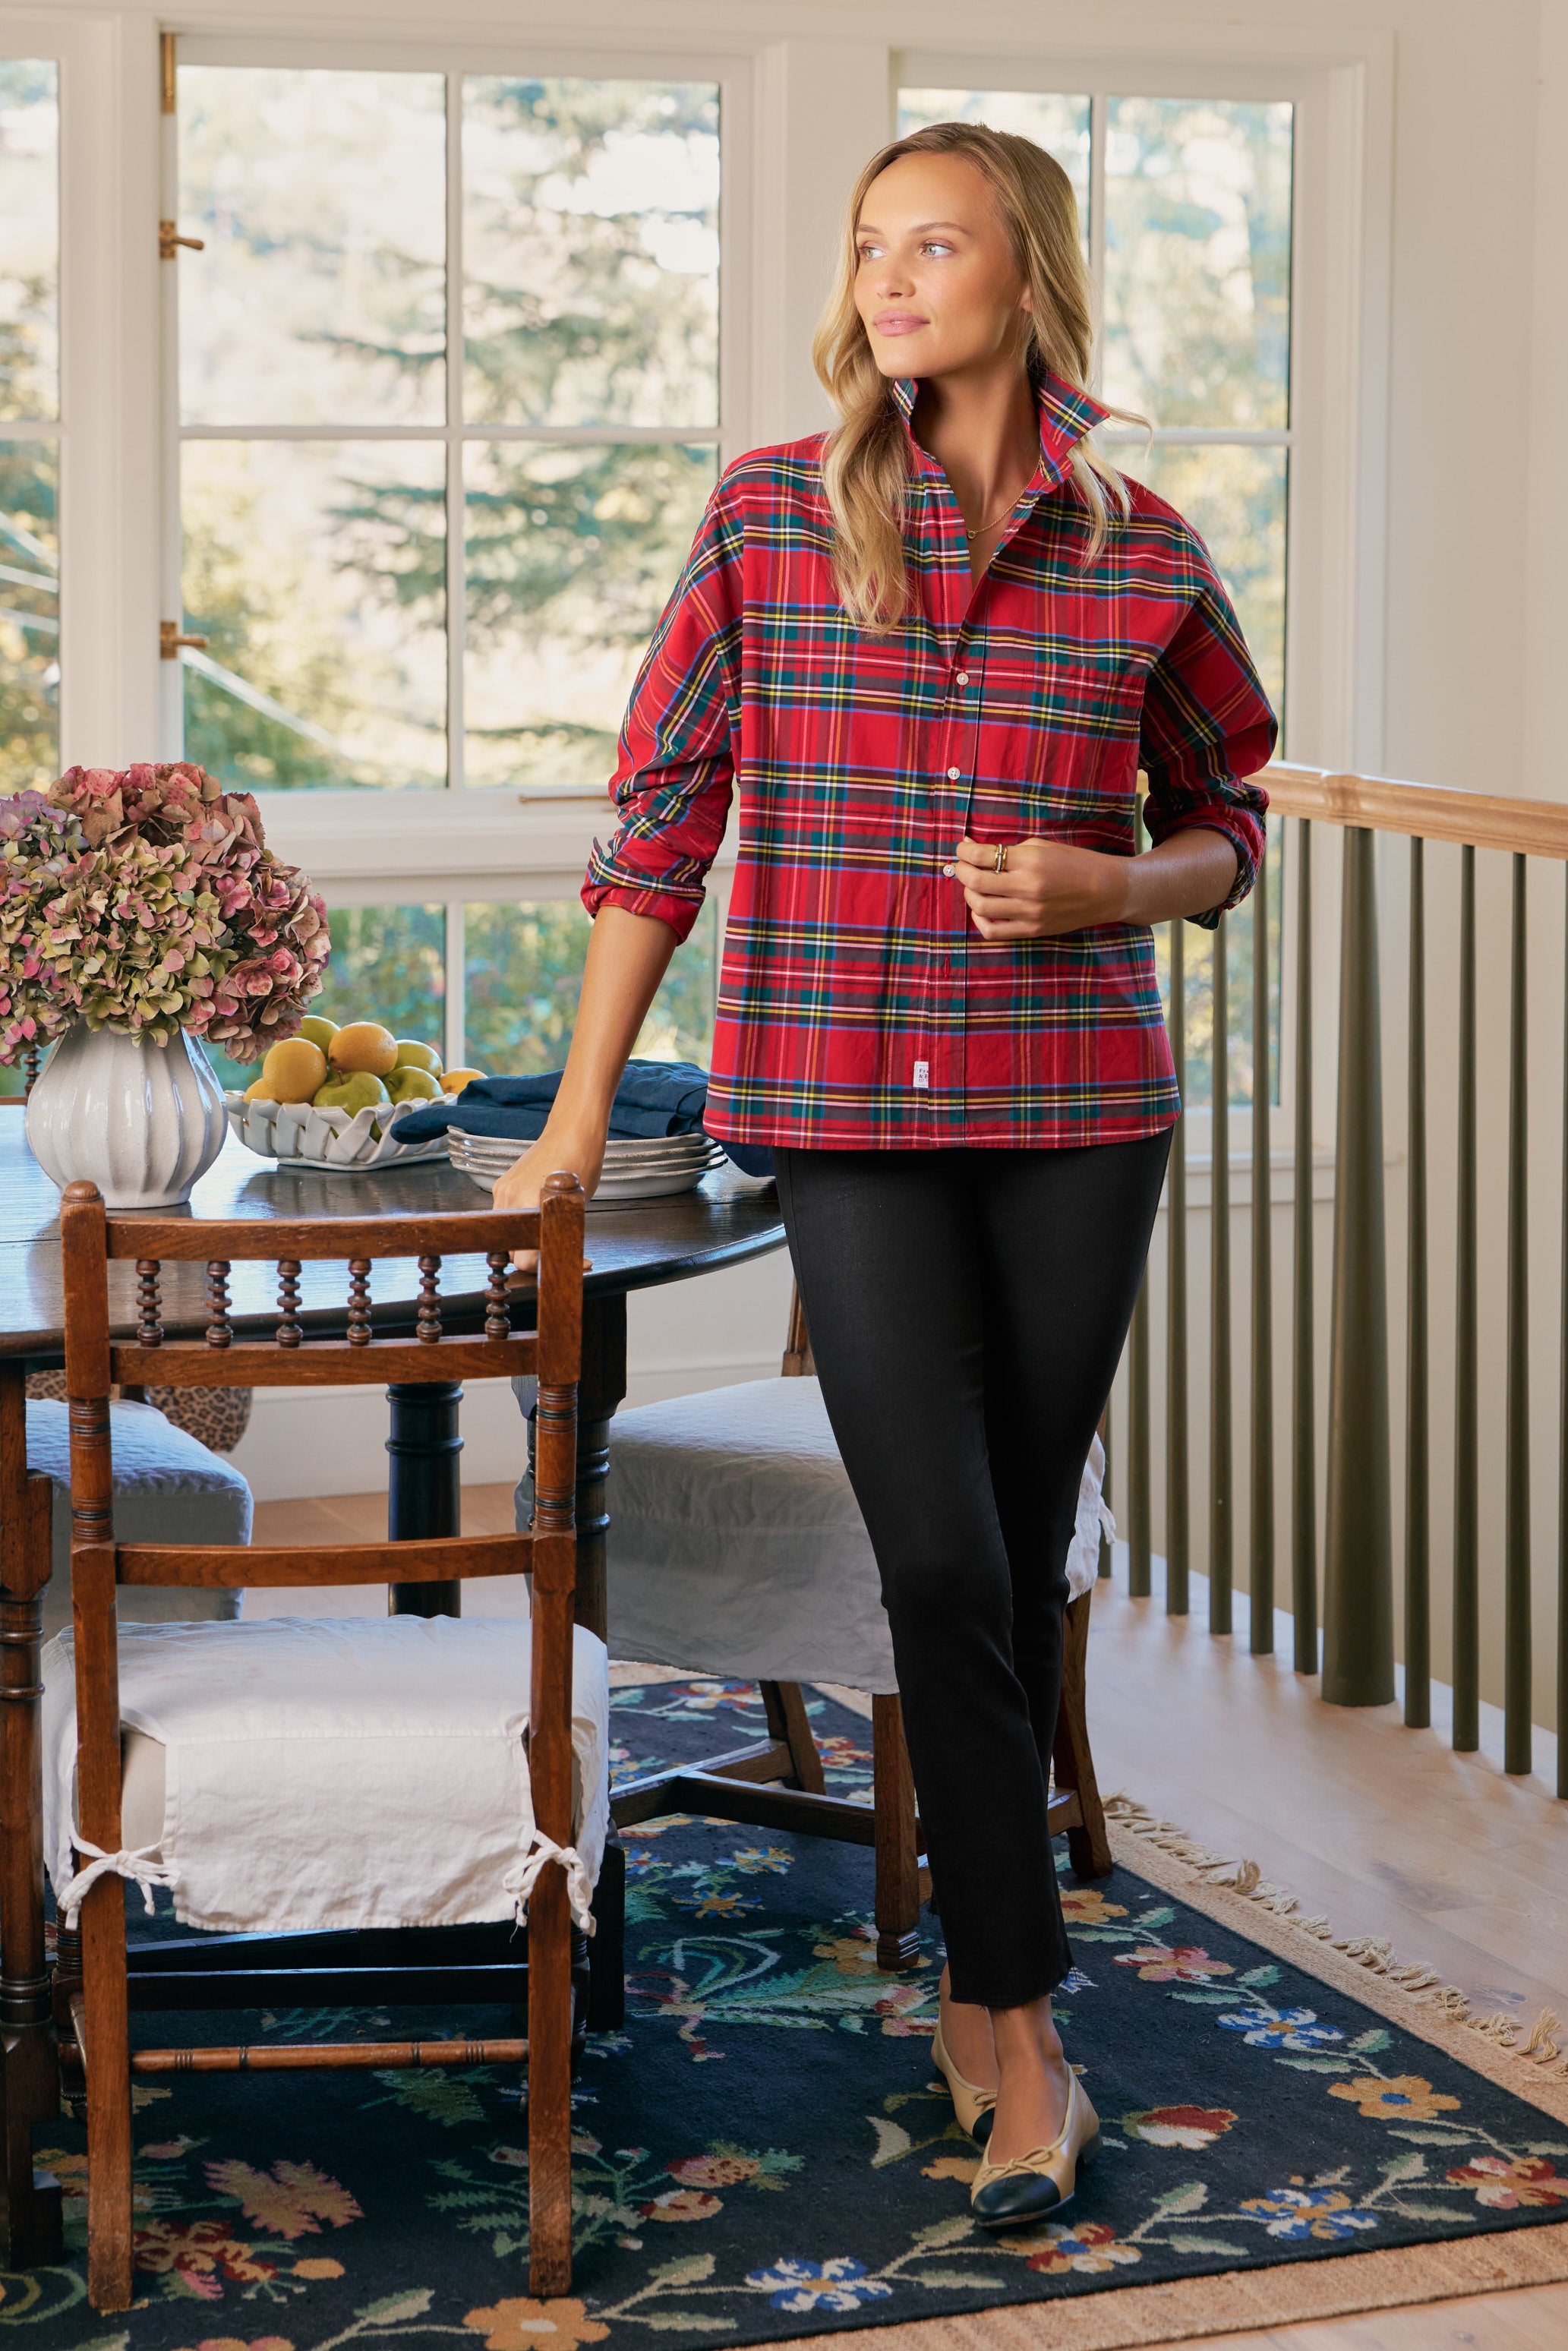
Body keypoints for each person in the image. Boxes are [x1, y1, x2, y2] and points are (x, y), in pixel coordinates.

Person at [495, 119, 1276, 2226]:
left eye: (933, 244)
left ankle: (979, 1993)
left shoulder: (1141, 546)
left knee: (1012, 1566)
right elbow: (662, 814)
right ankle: (1026, 2036)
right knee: (935, 1560)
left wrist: (1114, 879)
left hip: (1075, 1116)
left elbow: (1234, 818)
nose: (890, 280)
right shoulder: (770, 512)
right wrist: (575, 1124)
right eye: (868, 247)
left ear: (1025, 277)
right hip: (837, 1107)